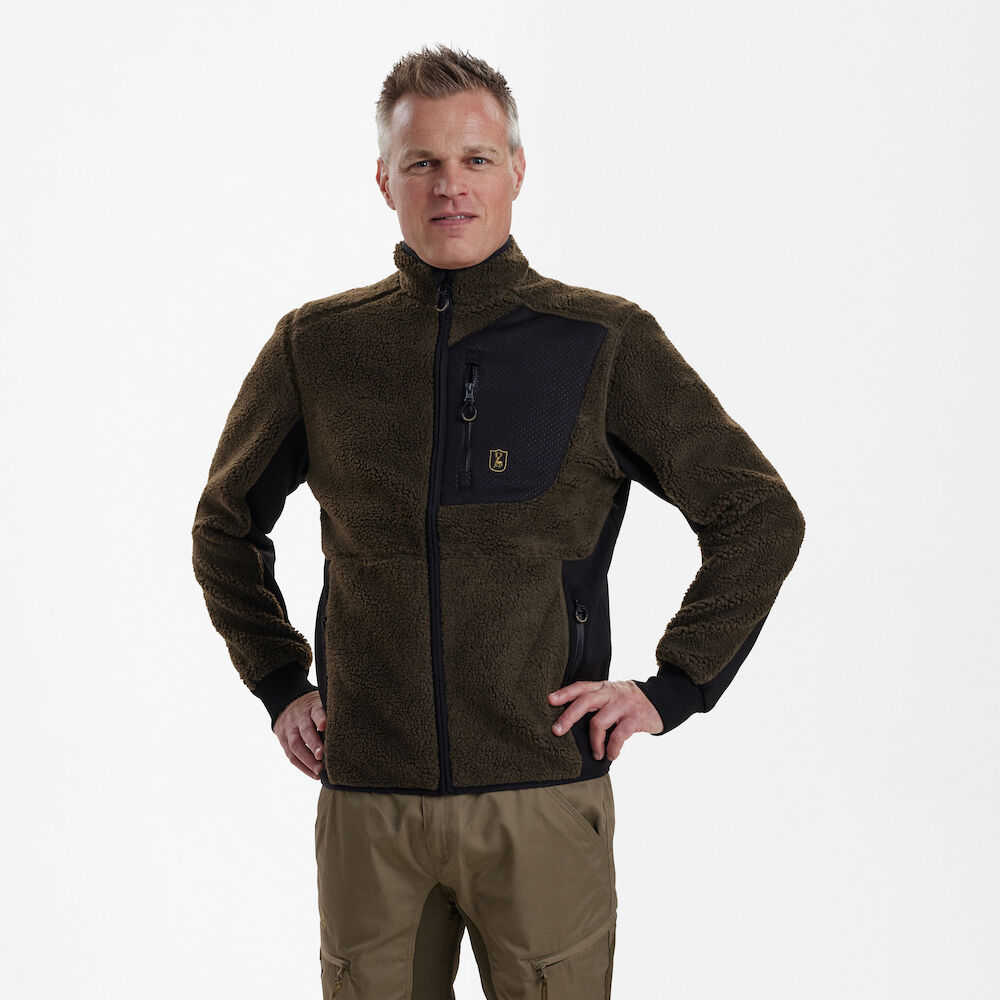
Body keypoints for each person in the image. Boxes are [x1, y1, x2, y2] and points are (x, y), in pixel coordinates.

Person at [191, 43, 805, 1000]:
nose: (451, 186)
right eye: (423, 162)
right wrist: (278, 682)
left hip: (541, 792)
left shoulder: (601, 341)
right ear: (384, 179)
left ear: (517, 170)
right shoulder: (318, 346)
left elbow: (756, 512)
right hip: (370, 802)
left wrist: (673, 686)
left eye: (476, 158)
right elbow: (224, 526)